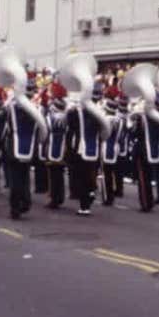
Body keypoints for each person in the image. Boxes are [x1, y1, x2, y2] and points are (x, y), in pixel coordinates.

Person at [0, 76, 44, 219]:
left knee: (15, 179)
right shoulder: (38, 109)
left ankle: (15, 208)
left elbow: (0, 121)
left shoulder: (11, 107)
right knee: (25, 177)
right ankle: (25, 202)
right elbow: (41, 129)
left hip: (14, 147)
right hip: (30, 148)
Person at [65, 83, 106, 217]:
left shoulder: (76, 113)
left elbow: (70, 126)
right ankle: (91, 192)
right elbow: (104, 132)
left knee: (81, 177)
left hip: (80, 148)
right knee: (91, 174)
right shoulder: (101, 112)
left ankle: (84, 206)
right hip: (94, 147)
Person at [43, 85, 69, 209]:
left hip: (52, 147)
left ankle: (54, 198)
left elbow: (45, 132)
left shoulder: (50, 117)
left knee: (52, 175)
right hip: (63, 148)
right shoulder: (67, 117)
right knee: (60, 174)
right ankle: (60, 196)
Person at [99, 92, 124, 206]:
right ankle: (111, 195)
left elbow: (103, 135)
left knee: (106, 174)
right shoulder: (119, 120)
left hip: (106, 147)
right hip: (116, 147)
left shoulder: (106, 120)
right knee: (112, 172)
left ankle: (107, 197)